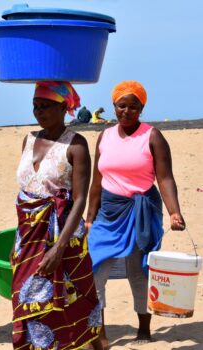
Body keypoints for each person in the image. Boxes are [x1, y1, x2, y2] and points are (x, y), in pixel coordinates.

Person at [86, 80, 186, 347]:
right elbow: (97, 180)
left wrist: (174, 212)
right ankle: (100, 333)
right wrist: (88, 216)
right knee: (96, 271)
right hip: (108, 213)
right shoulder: (104, 136)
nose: (127, 111)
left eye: (134, 106)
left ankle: (144, 327)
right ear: (114, 106)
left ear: (141, 108)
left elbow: (165, 178)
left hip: (141, 212)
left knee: (138, 272)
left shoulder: (152, 136)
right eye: (122, 105)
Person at [12, 81, 104, 350]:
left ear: (64, 107)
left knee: (75, 300)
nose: (39, 112)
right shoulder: (28, 140)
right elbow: (25, 194)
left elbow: (79, 200)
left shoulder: (75, 145)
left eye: (46, 106)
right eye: (36, 106)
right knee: (29, 303)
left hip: (64, 237)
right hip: (28, 237)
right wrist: (19, 242)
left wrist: (59, 249)